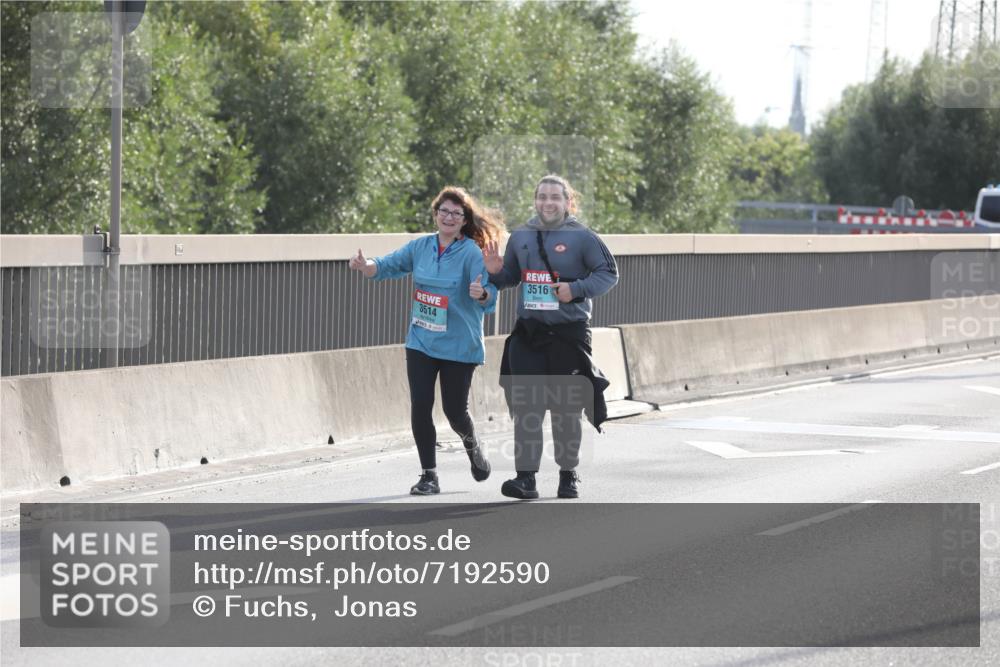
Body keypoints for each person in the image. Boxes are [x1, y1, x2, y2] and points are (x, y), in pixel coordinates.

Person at [349, 187, 504, 495]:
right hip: (421, 340)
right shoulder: (421, 246)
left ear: (464, 221)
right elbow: (391, 264)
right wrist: (368, 267)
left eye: (456, 214)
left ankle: (471, 445)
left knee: (455, 412)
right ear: (435, 214)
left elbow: (488, 297)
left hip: (459, 344)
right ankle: (428, 475)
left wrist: (482, 293)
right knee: (420, 405)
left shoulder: (472, 252)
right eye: (443, 212)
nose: (449, 217)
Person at [483, 174, 618, 500]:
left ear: (568, 202)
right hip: (529, 332)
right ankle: (525, 479)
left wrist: (575, 290)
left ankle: (568, 475)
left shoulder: (584, 238)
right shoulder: (522, 236)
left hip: (568, 335)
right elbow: (511, 277)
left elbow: (608, 274)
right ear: (535, 200)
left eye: (555, 197)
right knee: (527, 408)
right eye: (542, 196)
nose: (547, 202)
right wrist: (494, 271)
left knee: (565, 409)